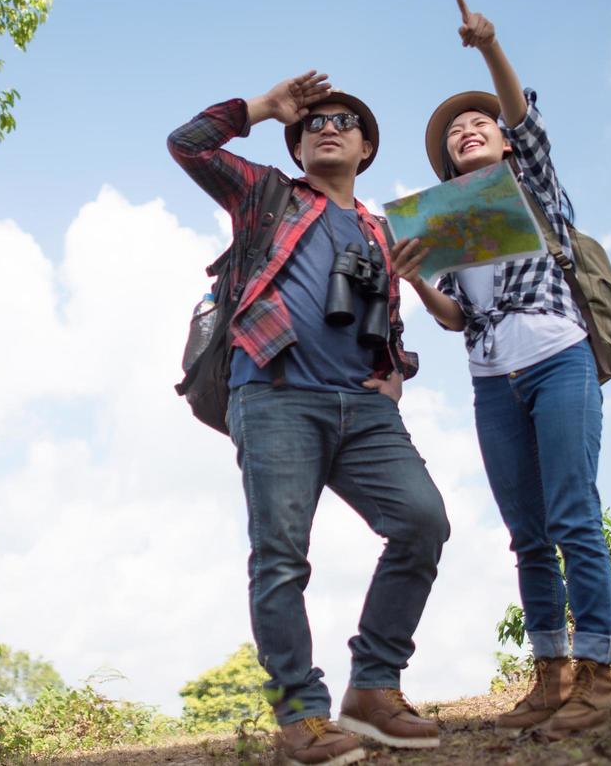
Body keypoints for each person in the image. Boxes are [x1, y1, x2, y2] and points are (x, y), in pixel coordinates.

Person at [168, 76, 450, 764]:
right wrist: (265, 109)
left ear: (367, 146)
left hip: (361, 406)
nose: (329, 126)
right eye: (315, 121)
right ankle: (300, 714)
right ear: (296, 145)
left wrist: (395, 372)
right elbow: (187, 144)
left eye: (345, 121)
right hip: (274, 390)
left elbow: (382, 319)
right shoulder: (266, 196)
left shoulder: (383, 231)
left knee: (421, 522)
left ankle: (373, 689)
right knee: (282, 555)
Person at [391, 0, 611, 740]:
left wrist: (489, 45)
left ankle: (598, 673)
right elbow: (456, 316)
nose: (467, 129)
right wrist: (416, 279)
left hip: (558, 358)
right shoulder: (452, 225)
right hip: (491, 379)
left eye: (478, 122)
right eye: (456, 130)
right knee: (526, 530)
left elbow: (522, 119)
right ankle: (550, 673)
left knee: (572, 513)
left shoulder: (532, 186)